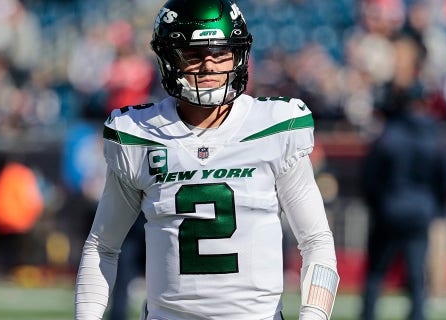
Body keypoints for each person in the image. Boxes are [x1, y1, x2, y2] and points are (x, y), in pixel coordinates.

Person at [74, 1, 339, 319]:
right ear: (170, 58)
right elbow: (102, 246)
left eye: (220, 52)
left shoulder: (274, 127)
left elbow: (316, 241)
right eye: (194, 54)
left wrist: (313, 316)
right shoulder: (140, 135)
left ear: (238, 55)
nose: (209, 66)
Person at [360, 36, 446, 320]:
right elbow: (445, 176)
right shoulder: (435, 136)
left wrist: (377, 205)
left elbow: (370, 177)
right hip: (419, 211)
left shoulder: (388, 136)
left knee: (376, 273)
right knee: (416, 276)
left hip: (389, 210)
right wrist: (437, 208)